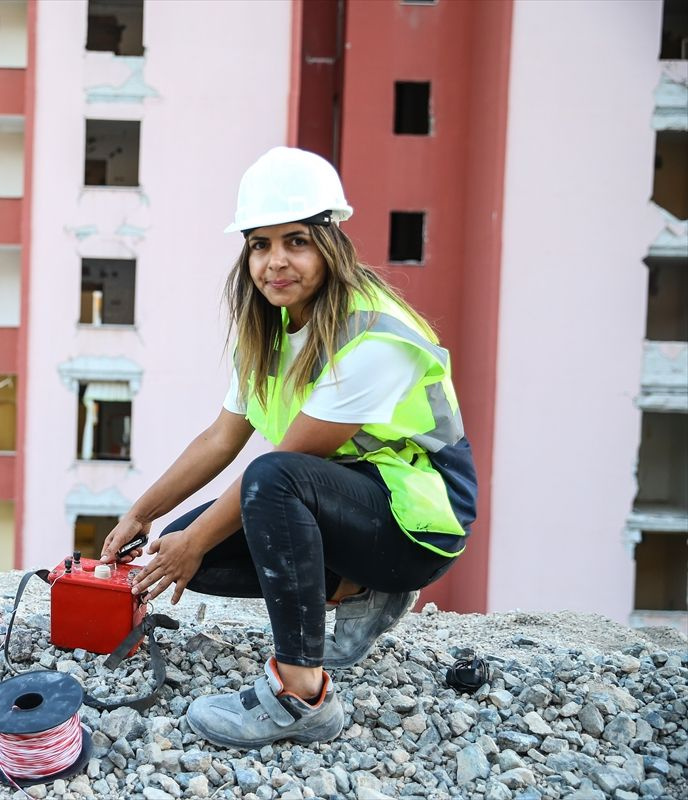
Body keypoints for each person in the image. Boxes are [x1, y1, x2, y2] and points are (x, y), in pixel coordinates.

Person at [99, 147, 477, 749]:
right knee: (202, 549)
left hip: (419, 522)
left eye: (295, 241)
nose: (275, 262)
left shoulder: (372, 334)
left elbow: (289, 465)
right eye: (259, 244)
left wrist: (189, 545)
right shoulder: (274, 326)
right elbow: (222, 437)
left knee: (251, 499)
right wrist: (143, 515)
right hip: (351, 501)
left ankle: (301, 696)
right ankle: (358, 589)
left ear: (330, 243)